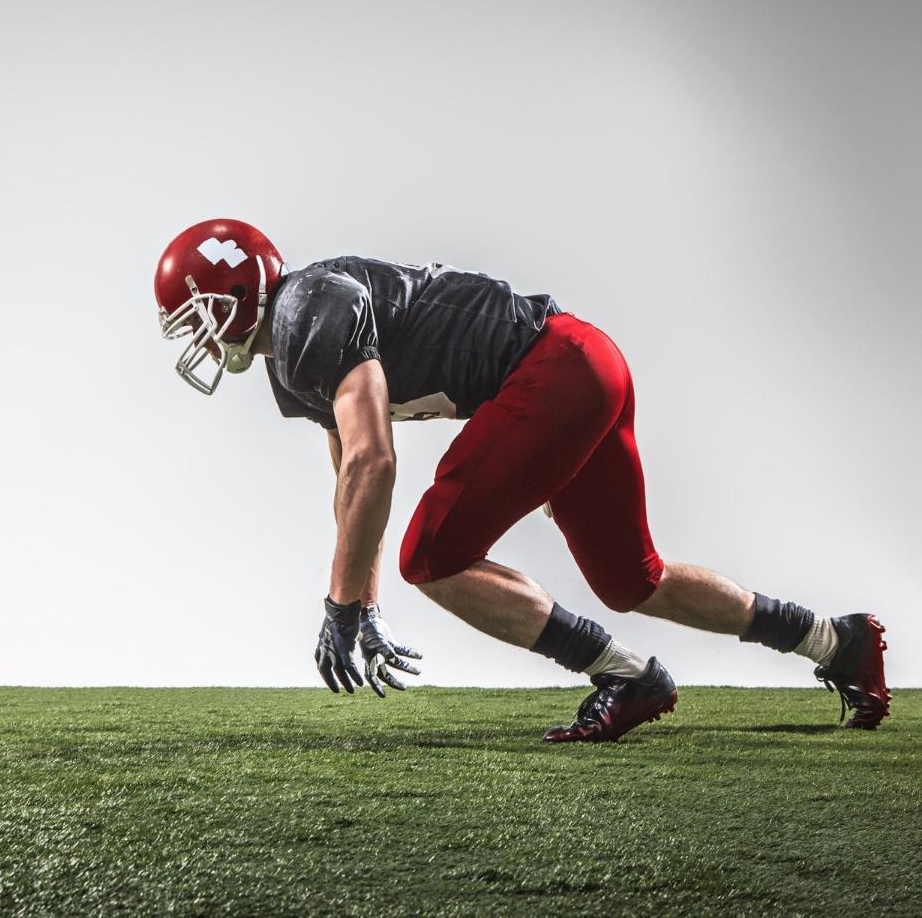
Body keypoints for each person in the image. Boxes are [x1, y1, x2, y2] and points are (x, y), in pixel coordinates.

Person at [154, 218, 891, 742]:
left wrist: (342, 607)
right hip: (582, 361)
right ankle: (836, 640)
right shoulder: (294, 350)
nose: (196, 335)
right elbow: (352, 478)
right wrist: (361, 600)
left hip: (551, 374)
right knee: (633, 579)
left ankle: (626, 675)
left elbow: (376, 462)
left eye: (197, 315)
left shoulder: (306, 309)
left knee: (430, 557)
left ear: (237, 291)